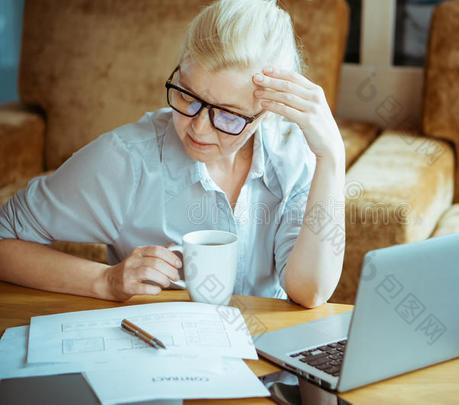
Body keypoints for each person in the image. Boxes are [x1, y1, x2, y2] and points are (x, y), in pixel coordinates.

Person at [0, 0, 345, 308]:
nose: (198, 129)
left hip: (265, 368)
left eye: (227, 115)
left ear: (266, 113)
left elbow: (309, 291)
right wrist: (104, 281)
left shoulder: (293, 154)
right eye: (187, 97)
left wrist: (331, 157)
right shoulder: (126, 160)